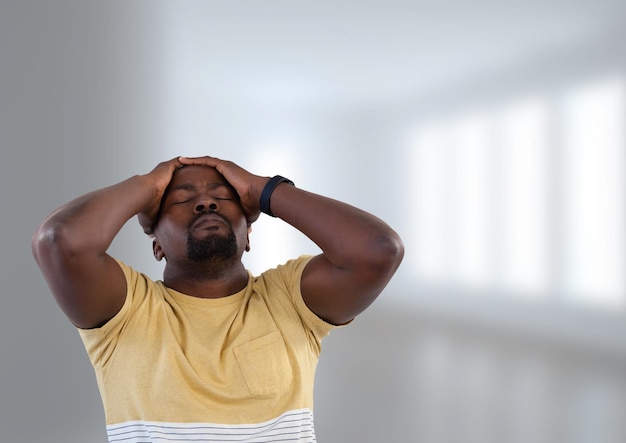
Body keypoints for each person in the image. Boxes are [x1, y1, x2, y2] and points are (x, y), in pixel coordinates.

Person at [31, 155, 404, 443]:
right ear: (157, 245)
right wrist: (148, 185)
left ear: (248, 237)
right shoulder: (126, 310)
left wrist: (265, 189)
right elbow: (60, 242)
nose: (205, 204)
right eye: (181, 200)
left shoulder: (290, 299)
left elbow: (377, 251)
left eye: (224, 198)